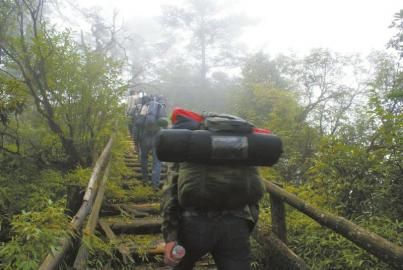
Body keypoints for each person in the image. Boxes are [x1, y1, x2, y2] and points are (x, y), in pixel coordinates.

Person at [161, 162, 260, 270]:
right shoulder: (239, 146)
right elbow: (253, 185)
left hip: (194, 223)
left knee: (180, 266)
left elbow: (171, 190)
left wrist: (170, 237)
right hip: (236, 222)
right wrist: (247, 223)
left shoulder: (186, 146)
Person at [137, 95, 167, 189]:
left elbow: (138, 124)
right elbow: (164, 125)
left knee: (144, 159)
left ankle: (145, 180)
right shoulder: (161, 107)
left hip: (145, 137)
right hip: (157, 136)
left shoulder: (145, 107)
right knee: (157, 162)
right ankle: (155, 185)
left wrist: (136, 140)